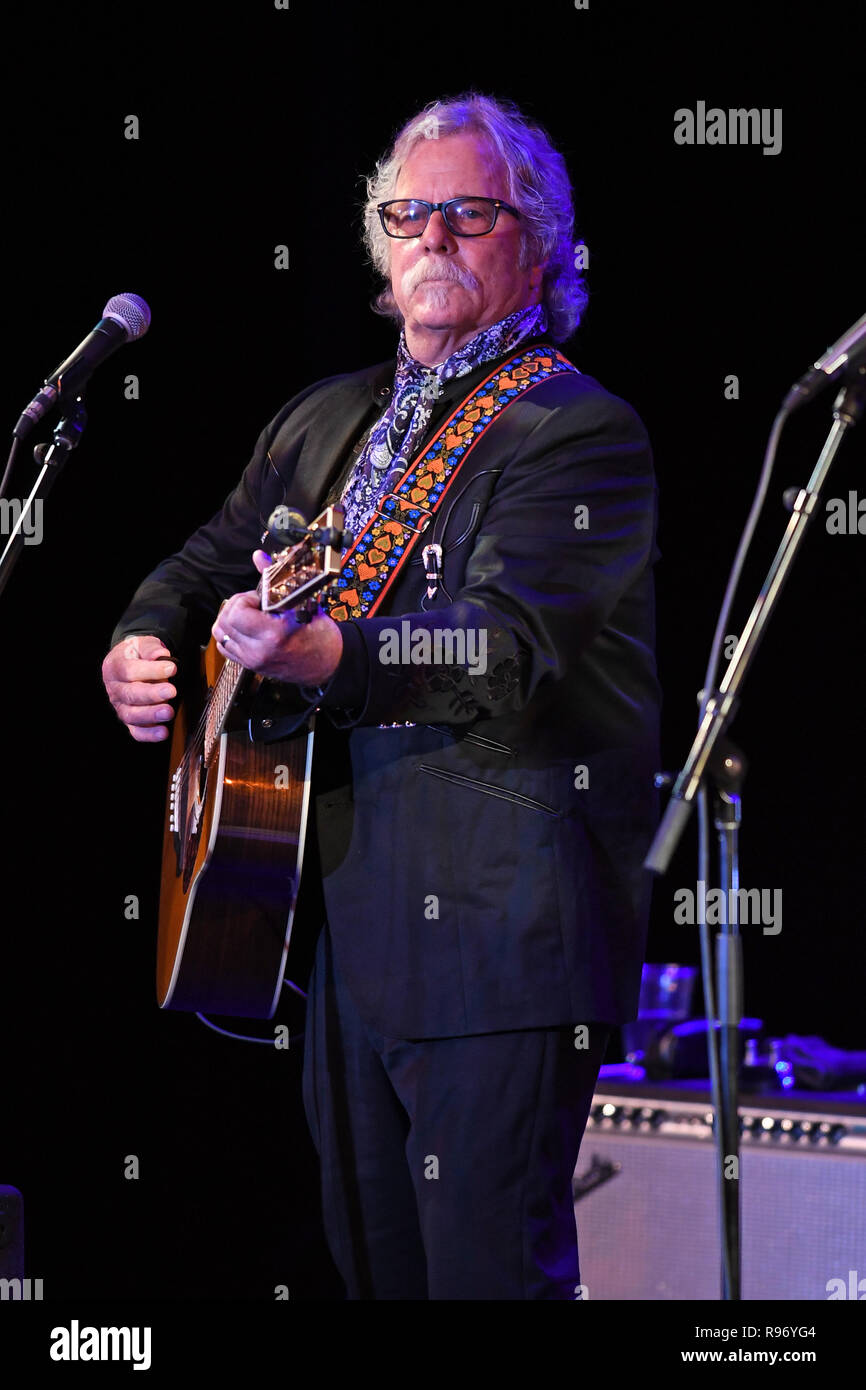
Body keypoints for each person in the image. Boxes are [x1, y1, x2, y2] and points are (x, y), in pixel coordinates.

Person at [101, 91, 661, 1300]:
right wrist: (143, 636)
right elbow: (205, 559)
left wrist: (328, 657)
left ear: (541, 240)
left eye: (468, 213)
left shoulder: (575, 433)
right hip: (346, 926)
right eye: (407, 214)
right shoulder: (327, 419)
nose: (431, 239)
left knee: (483, 1283)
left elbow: (502, 647)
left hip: (503, 937)